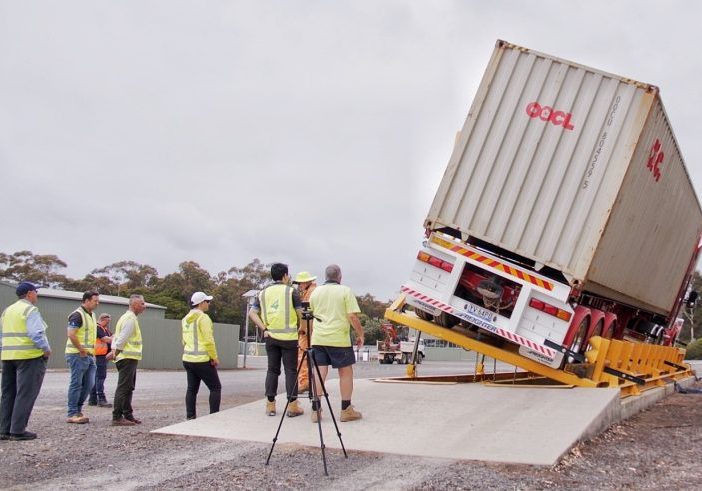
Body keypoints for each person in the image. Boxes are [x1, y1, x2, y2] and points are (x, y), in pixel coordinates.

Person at [309, 264, 364, 423]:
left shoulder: (315, 292)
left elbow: (313, 316)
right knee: (345, 373)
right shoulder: (345, 291)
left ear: (325, 276)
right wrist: (360, 334)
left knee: (319, 373)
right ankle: (346, 409)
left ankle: (316, 410)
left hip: (319, 338)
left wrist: (313, 335)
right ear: (340, 276)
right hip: (339, 339)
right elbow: (352, 316)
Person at [248, 263, 304, 418]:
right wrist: (302, 328)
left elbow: (252, 313)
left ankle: (270, 405)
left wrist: (264, 329)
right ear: (285, 276)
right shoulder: (291, 292)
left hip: (271, 337)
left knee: (272, 370)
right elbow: (301, 314)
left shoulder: (262, 293)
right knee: (290, 370)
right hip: (289, 338)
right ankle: (292, 406)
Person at [0, 282, 51, 441]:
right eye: (36, 292)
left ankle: (3, 429)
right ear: (29, 293)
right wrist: (46, 349)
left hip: (8, 356)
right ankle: (18, 430)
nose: (37, 294)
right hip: (29, 357)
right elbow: (36, 333)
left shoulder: (7, 311)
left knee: (8, 394)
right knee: (25, 393)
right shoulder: (30, 310)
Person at [182, 291, 221, 420]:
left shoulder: (185, 319)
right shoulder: (203, 318)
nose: (209, 304)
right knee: (215, 387)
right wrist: (214, 357)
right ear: (201, 303)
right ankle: (213, 417)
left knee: (192, 389)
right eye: (207, 302)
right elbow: (208, 340)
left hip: (188, 358)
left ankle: (190, 416)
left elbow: (184, 340)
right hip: (202, 359)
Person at [111, 294, 146, 426]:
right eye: (142, 304)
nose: (144, 306)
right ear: (134, 305)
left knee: (128, 387)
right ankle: (117, 416)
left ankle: (128, 414)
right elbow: (122, 338)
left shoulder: (126, 318)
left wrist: (114, 351)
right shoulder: (130, 319)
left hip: (128, 357)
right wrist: (115, 352)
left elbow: (116, 336)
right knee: (124, 387)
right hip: (127, 357)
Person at [65, 291, 99, 424]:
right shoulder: (77, 315)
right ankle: (72, 412)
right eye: (95, 300)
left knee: (89, 383)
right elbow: (71, 334)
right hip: (77, 354)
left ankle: (78, 410)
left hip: (89, 355)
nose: (97, 303)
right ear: (86, 300)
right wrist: (81, 349)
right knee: (76, 383)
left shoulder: (92, 315)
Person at [293, 271, 317, 393]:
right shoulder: (314, 291)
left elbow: (307, 314)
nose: (299, 286)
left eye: (300, 283)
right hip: (314, 329)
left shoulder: (310, 294)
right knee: (310, 357)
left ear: (305, 282)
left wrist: (303, 329)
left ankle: (304, 382)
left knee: (302, 356)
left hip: (308, 330)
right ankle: (309, 381)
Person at [88, 313, 112, 408]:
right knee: (100, 377)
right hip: (99, 355)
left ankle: (93, 399)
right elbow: (107, 339)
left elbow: (110, 336)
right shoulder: (97, 328)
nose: (108, 323)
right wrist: (114, 339)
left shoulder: (104, 329)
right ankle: (101, 399)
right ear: (103, 320)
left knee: (97, 377)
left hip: (102, 355)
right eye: (108, 321)